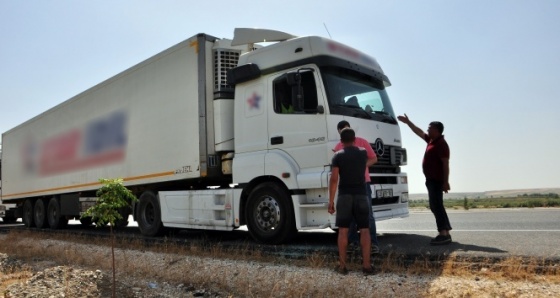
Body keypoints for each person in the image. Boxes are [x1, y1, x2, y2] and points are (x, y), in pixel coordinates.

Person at [397, 113, 452, 245]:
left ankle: (443, 233)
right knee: (437, 205)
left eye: (430, 128)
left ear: (437, 130)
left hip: (437, 180)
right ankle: (446, 231)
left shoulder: (442, 144)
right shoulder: (432, 141)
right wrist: (408, 122)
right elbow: (419, 132)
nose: (427, 130)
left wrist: (445, 182)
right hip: (431, 180)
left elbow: (445, 164)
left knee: (436, 206)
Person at [329, 128, 375, 275]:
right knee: (365, 230)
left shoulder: (337, 156)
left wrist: (331, 201)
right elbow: (370, 159)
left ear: (341, 142)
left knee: (343, 230)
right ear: (355, 139)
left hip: (344, 196)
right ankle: (367, 267)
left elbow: (334, 179)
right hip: (361, 195)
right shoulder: (362, 153)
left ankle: (342, 267)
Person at [333, 120, 379, 253]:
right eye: (342, 130)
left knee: (368, 214)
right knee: (350, 216)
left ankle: (373, 243)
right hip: (347, 184)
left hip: (363, 182)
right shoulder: (338, 146)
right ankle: (353, 243)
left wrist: (361, 166)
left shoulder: (363, 142)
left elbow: (374, 158)